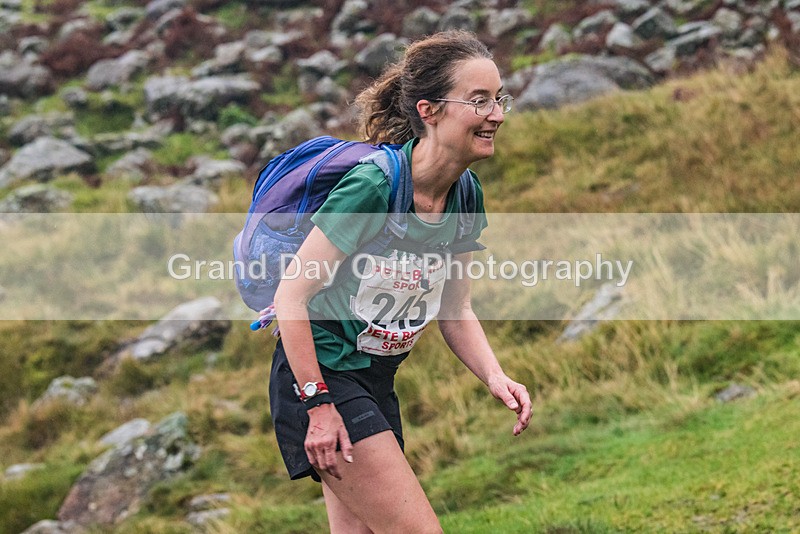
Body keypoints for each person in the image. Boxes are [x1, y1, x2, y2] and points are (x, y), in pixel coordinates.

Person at [268, 30, 532, 533]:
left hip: (376, 380)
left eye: (500, 99)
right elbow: (291, 297)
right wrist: (318, 404)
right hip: (323, 378)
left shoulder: (465, 194)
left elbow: (455, 310)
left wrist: (495, 377)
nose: (496, 114)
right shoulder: (373, 188)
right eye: (479, 101)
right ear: (429, 110)